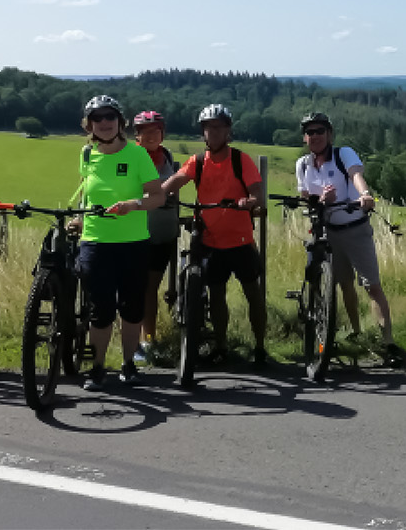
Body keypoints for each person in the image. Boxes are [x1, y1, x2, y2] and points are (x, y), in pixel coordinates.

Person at [160, 104, 269, 370]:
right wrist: (156, 196)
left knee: (253, 294)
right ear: (203, 132)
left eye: (219, 127)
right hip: (210, 241)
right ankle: (221, 347)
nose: (214, 132)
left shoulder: (239, 160)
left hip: (241, 241)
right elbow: (174, 181)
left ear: (228, 131)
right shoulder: (197, 161)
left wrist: (249, 201)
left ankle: (260, 346)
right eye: (209, 127)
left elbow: (258, 194)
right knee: (217, 296)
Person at [294, 112, 402, 367]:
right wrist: (320, 201)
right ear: (304, 137)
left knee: (372, 286)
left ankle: (388, 343)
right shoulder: (302, 164)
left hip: (355, 228)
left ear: (329, 134)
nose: (315, 136)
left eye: (320, 131)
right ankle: (356, 332)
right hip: (327, 232)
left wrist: (365, 194)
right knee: (343, 285)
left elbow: (356, 175)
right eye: (310, 132)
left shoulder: (344, 155)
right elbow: (304, 195)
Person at [72, 95, 165, 390]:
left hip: (133, 242)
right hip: (95, 242)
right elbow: (87, 194)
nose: (104, 123)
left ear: (120, 122)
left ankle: (128, 364)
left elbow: (157, 196)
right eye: (96, 118)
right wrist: (78, 218)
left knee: (132, 308)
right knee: (100, 310)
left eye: (109, 117)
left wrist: (134, 204)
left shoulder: (137, 154)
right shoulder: (87, 155)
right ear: (88, 124)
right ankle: (98, 368)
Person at [132, 110, 180, 364]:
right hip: (136, 233)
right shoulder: (132, 157)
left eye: (156, 131)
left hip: (164, 234)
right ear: (137, 135)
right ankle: (135, 341)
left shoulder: (168, 157)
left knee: (150, 289)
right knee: (136, 289)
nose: (151, 136)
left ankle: (148, 338)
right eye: (145, 132)